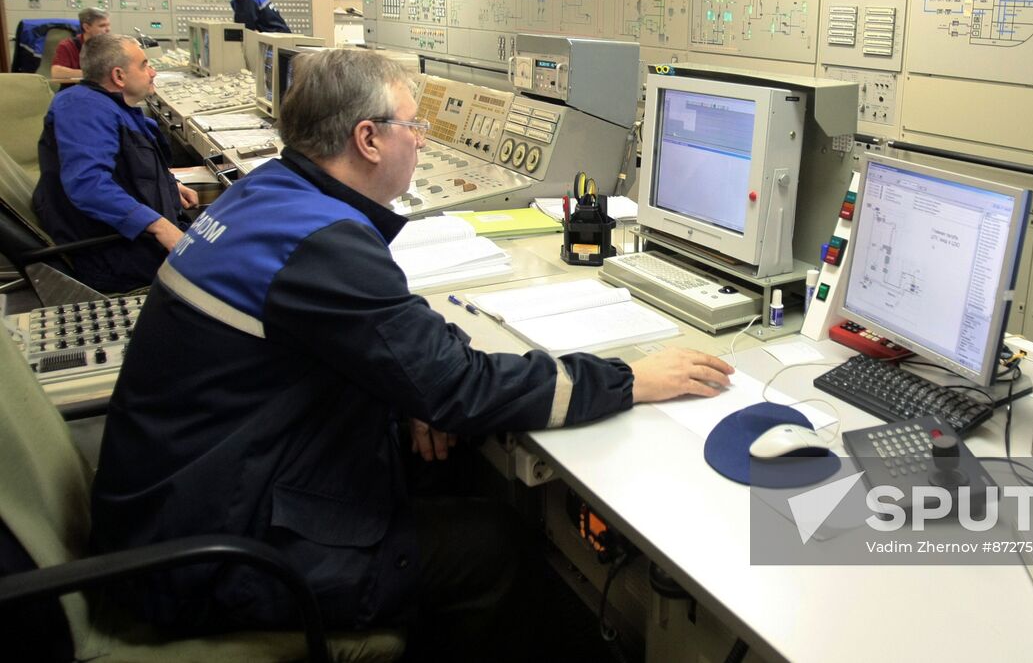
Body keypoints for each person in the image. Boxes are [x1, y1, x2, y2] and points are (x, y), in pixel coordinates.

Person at [90, 49, 733, 654]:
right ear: (368, 140)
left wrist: (410, 389)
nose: (422, 140)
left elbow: (389, 341)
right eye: (412, 125)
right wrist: (630, 379)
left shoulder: (270, 198)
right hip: (212, 555)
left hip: (180, 500)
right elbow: (464, 386)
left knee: (441, 462)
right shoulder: (322, 243)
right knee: (495, 544)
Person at [33, 34, 197, 293]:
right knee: (239, 265)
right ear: (119, 76)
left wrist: (168, 184)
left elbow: (127, 164)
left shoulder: (110, 106)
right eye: (144, 65)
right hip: (116, 254)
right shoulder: (83, 108)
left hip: (134, 238)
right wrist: (160, 225)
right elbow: (89, 185)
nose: (152, 71)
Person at [48, 6, 110, 85]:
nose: (108, 29)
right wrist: (95, 74)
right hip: (76, 89)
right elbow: (57, 73)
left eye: (108, 25)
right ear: (86, 27)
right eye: (102, 26)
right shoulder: (68, 46)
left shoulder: (111, 45)